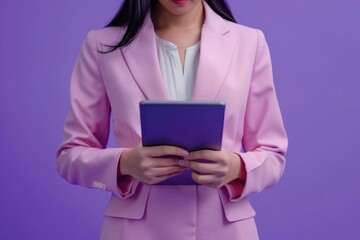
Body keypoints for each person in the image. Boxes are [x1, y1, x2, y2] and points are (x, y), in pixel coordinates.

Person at [56, 0, 288, 239]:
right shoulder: (102, 45)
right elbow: (70, 156)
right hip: (135, 231)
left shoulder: (249, 43)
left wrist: (236, 169)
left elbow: (273, 155)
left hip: (226, 230)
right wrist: (125, 163)